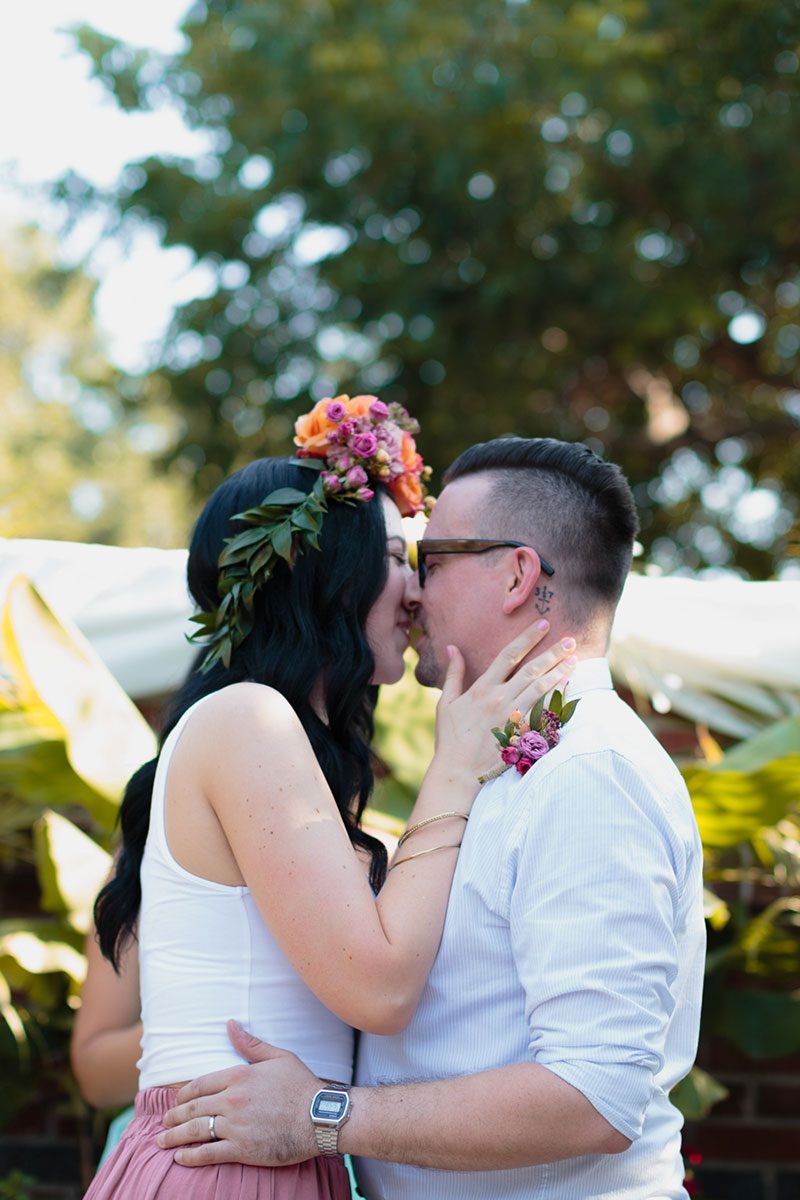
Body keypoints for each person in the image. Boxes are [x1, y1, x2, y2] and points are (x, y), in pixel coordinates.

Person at [157, 436, 706, 1200]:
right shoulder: (496, 754)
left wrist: (323, 1118)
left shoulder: (591, 771)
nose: (413, 590)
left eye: (431, 558)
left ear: (517, 574)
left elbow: (594, 1094)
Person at [83, 403, 575, 1200]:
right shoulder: (248, 721)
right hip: (226, 1163)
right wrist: (455, 766)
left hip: (274, 1150)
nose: (417, 589)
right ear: (323, 575)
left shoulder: (285, 747)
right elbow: (376, 989)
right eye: (393, 557)